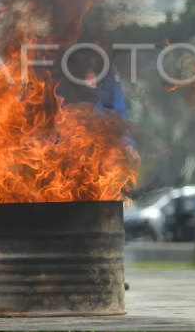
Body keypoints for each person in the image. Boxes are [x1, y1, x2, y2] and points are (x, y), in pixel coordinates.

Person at [56, 48, 139, 291]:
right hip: (65, 152)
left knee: (104, 211)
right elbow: (47, 109)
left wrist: (128, 145)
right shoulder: (59, 65)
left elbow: (118, 112)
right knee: (67, 212)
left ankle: (108, 270)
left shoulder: (108, 74)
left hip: (102, 151)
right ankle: (65, 270)